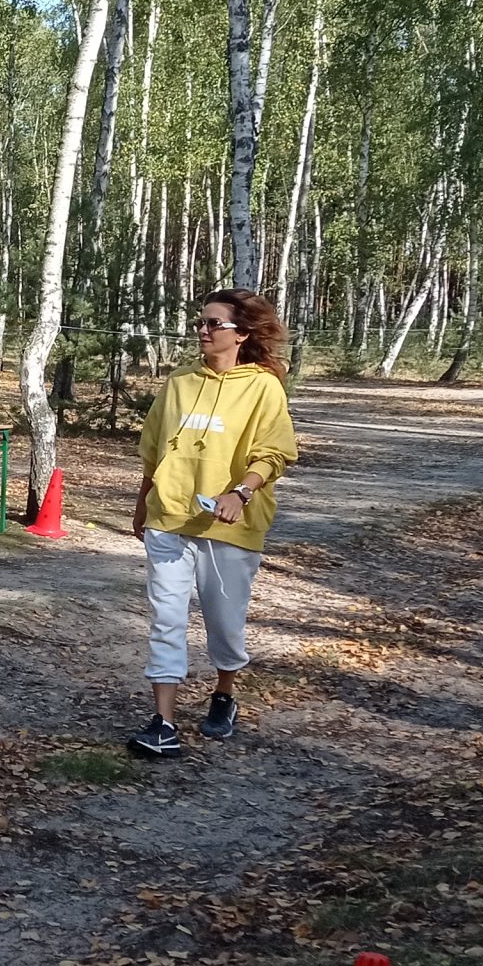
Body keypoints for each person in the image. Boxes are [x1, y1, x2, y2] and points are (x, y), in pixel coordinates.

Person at [127, 287, 300, 758]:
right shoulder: (180, 382)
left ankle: (224, 693)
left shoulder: (263, 386)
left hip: (230, 525)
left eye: (213, 323)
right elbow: (153, 450)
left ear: (242, 333)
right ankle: (163, 723)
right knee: (166, 620)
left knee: (224, 624)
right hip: (170, 517)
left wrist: (240, 492)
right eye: (200, 322)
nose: (202, 330)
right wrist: (143, 504)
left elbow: (274, 453)